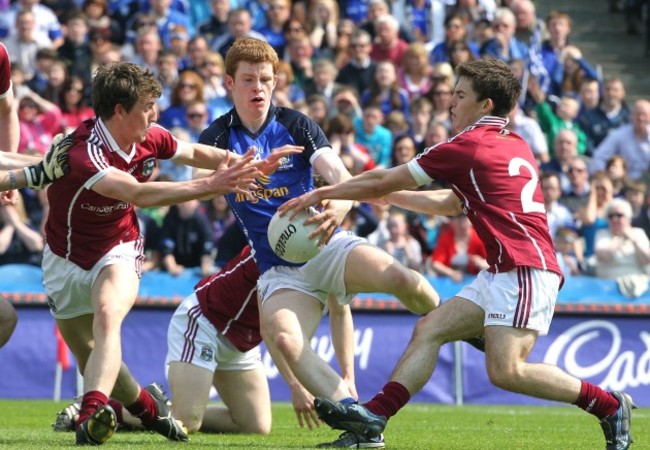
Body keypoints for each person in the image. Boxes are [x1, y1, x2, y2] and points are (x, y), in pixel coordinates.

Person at [280, 58, 636, 450]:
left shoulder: (466, 145)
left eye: (460, 95)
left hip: (524, 269)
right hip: (505, 270)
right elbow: (453, 203)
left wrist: (324, 192)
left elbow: (386, 177)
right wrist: (392, 196)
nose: (450, 102)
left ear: (485, 105)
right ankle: (373, 422)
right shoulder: (512, 142)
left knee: (507, 371)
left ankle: (609, 405)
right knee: (429, 329)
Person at [198, 37, 439, 448]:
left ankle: (455, 321)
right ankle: (362, 425)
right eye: (249, 79)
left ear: (275, 83)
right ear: (229, 83)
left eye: (266, 79)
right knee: (287, 339)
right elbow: (197, 182)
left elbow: (340, 176)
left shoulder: (297, 125)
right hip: (277, 269)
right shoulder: (217, 137)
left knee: (405, 280)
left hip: (325, 242)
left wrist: (341, 206)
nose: (258, 87)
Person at [43, 61, 298, 446]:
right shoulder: (84, 153)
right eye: (148, 106)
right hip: (62, 257)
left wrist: (246, 163)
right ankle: (148, 409)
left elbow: (195, 153)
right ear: (119, 111)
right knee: (90, 352)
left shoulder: (151, 136)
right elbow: (139, 194)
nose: (155, 114)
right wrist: (213, 185)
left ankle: (92, 417)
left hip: (118, 247)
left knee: (109, 315)